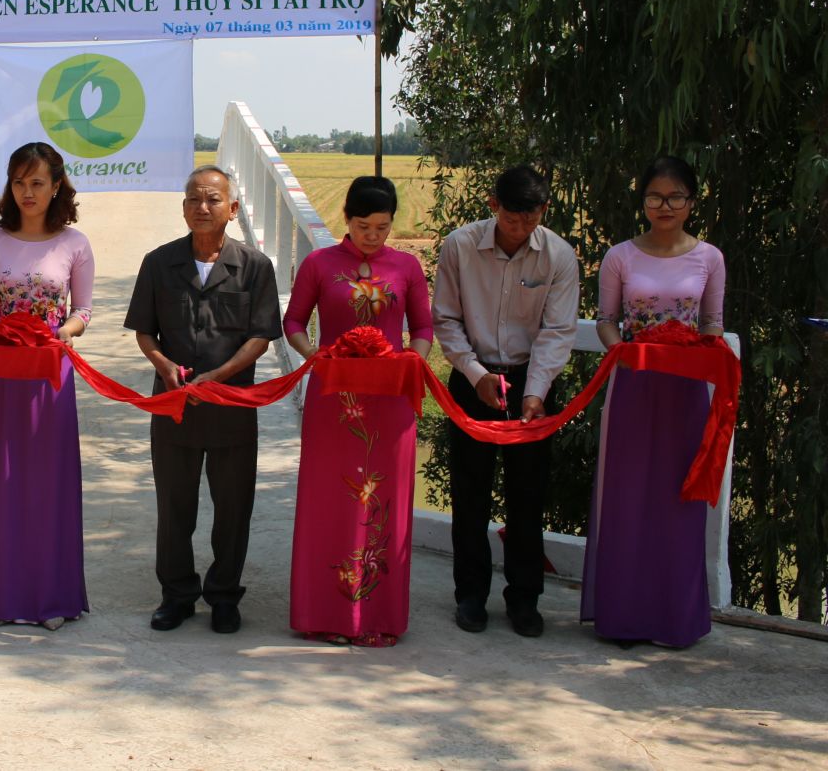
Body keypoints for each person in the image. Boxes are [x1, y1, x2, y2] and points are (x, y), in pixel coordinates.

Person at [125, 166, 282, 635]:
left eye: (213, 199)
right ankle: (176, 595)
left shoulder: (254, 267)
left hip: (232, 407)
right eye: (194, 199)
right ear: (184, 207)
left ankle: (224, 596)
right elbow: (145, 331)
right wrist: (163, 366)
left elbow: (260, 337)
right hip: (174, 407)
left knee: (233, 508)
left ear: (233, 208)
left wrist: (220, 376)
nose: (202, 207)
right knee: (175, 507)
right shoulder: (159, 263)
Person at [584, 155, 726, 647]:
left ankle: (674, 618)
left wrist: (708, 354)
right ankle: (624, 617)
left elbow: (712, 323)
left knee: (679, 497)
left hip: (686, 391)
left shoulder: (708, 257)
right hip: (634, 385)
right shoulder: (620, 255)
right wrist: (622, 352)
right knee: (627, 496)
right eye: (654, 196)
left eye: (675, 197)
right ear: (642, 200)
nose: (664, 206)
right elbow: (606, 319)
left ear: (691, 202)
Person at [283, 176, 432, 645]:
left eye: (383, 228)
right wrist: (315, 356)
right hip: (335, 402)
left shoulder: (407, 267)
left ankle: (377, 616)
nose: (373, 236)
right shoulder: (319, 263)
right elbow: (293, 321)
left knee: (383, 501)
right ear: (345, 219)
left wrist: (413, 364)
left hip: (389, 402)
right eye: (364, 226)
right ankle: (325, 613)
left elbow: (423, 327)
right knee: (329, 499)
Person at [433, 165, 580, 638]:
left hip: (530, 384)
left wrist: (536, 392)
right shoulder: (459, 246)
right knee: (470, 494)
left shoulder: (558, 256)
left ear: (544, 211)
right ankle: (470, 595)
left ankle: (524, 598)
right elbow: (447, 320)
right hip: (472, 380)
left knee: (527, 495)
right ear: (493, 206)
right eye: (513, 218)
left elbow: (557, 332)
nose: (521, 229)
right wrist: (475, 374)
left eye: (531, 218)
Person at [0, 142, 93, 628]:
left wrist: (62, 334)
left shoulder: (75, 244)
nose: (28, 192)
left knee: (47, 483)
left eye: (38, 182)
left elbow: (83, 311)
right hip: (0, 374)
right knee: (1, 480)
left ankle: (50, 596)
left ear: (57, 185)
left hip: (49, 373)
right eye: (19, 182)